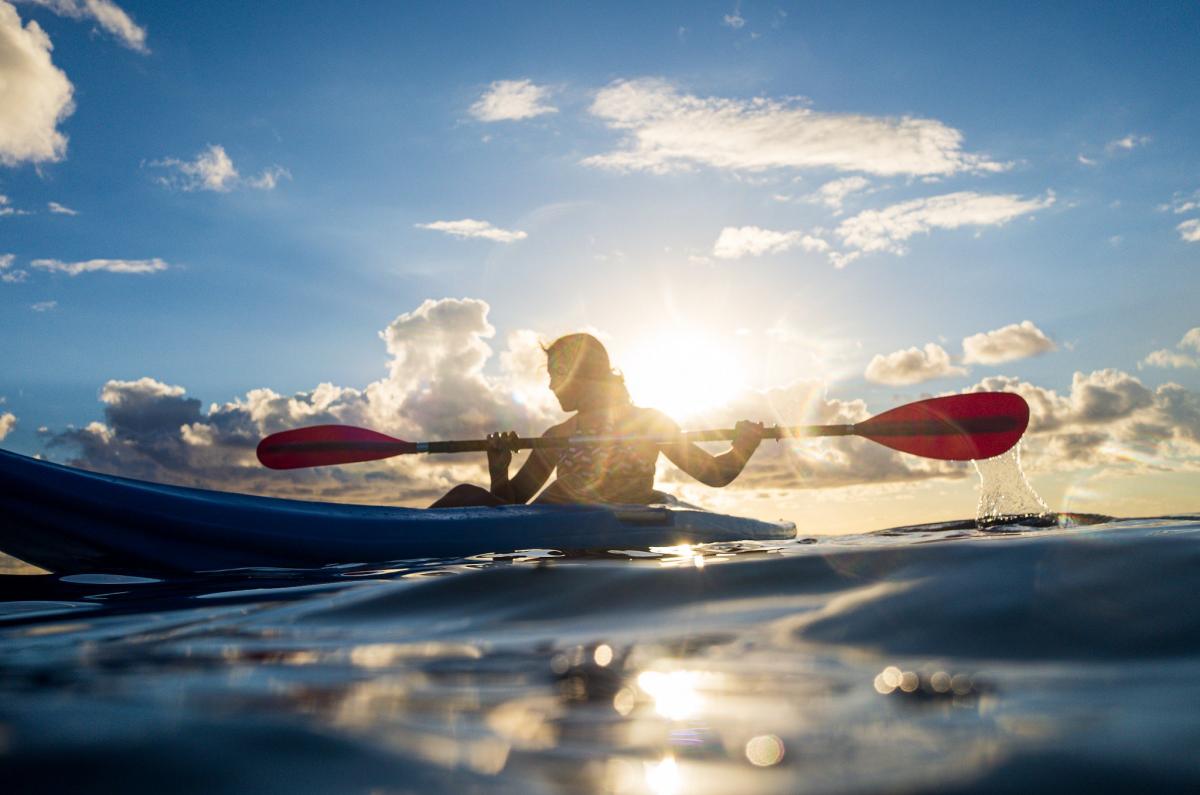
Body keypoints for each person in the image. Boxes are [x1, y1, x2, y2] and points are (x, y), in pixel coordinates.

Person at [430, 333, 764, 508]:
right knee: (464, 494)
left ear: (581, 374)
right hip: (556, 533)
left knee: (462, 495)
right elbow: (510, 505)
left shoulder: (650, 424)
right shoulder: (557, 435)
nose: (549, 385)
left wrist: (744, 446)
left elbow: (715, 474)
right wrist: (499, 468)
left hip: (611, 529)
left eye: (555, 375)